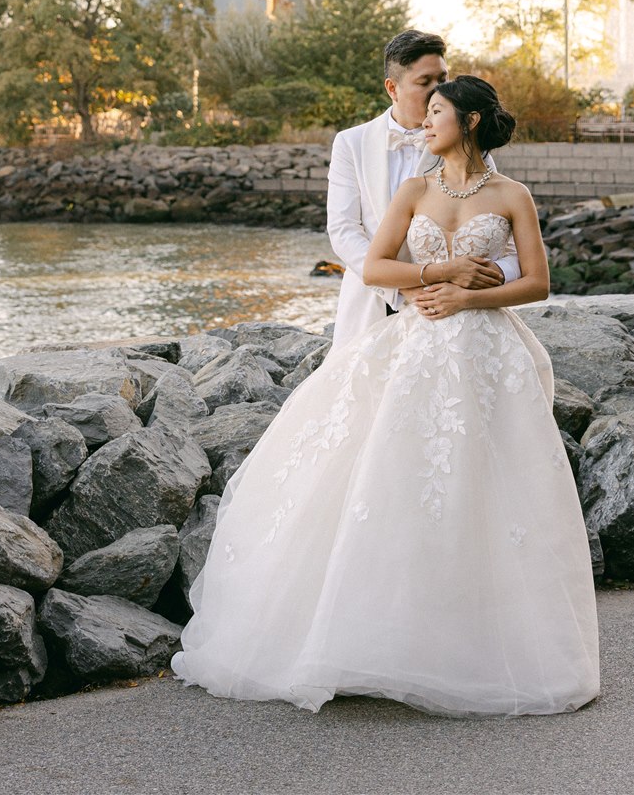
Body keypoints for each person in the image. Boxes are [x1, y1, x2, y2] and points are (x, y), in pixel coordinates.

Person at [172, 75, 601, 718]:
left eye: (437, 111)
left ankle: (473, 644)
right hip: (417, 347)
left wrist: (470, 295)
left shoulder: (514, 195)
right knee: (395, 479)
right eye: (424, 110)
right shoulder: (413, 189)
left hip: (486, 356)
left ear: (472, 121)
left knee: (483, 489)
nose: (425, 122)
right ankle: (374, 640)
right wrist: (438, 273)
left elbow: (537, 282)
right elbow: (373, 267)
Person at [325, 28, 521, 347]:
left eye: (443, 79)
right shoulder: (351, 142)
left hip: (451, 311)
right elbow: (343, 230)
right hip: (373, 305)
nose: (438, 90)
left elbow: (500, 233)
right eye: (425, 81)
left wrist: (493, 276)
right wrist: (403, 285)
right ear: (393, 88)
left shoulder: (469, 144)